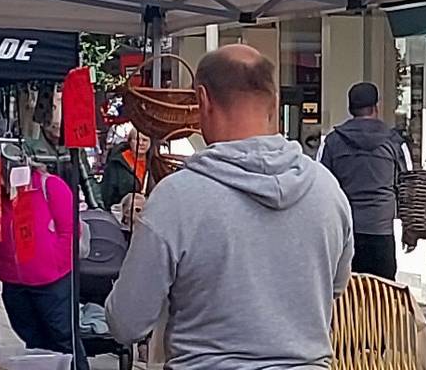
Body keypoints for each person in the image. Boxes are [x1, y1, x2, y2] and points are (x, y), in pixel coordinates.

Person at [109, 45, 353, 370]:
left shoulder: (177, 198)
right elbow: (335, 289)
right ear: (275, 102)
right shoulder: (328, 191)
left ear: (203, 100)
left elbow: (126, 322)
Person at [0, 164, 88, 370]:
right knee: (34, 343)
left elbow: (71, 232)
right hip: (14, 281)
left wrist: (53, 262)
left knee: (64, 339)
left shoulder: (51, 186)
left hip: (52, 281)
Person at [318, 81, 412, 280]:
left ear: (350, 108)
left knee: (346, 300)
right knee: (383, 296)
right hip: (381, 232)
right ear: (375, 107)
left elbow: (320, 190)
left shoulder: (332, 142)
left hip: (344, 234)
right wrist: (409, 231)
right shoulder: (394, 143)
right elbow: (408, 189)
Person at [102, 125, 153, 212]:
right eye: (136, 139)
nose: (140, 143)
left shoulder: (154, 164)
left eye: (145, 140)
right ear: (130, 142)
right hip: (122, 214)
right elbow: (108, 194)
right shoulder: (117, 163)